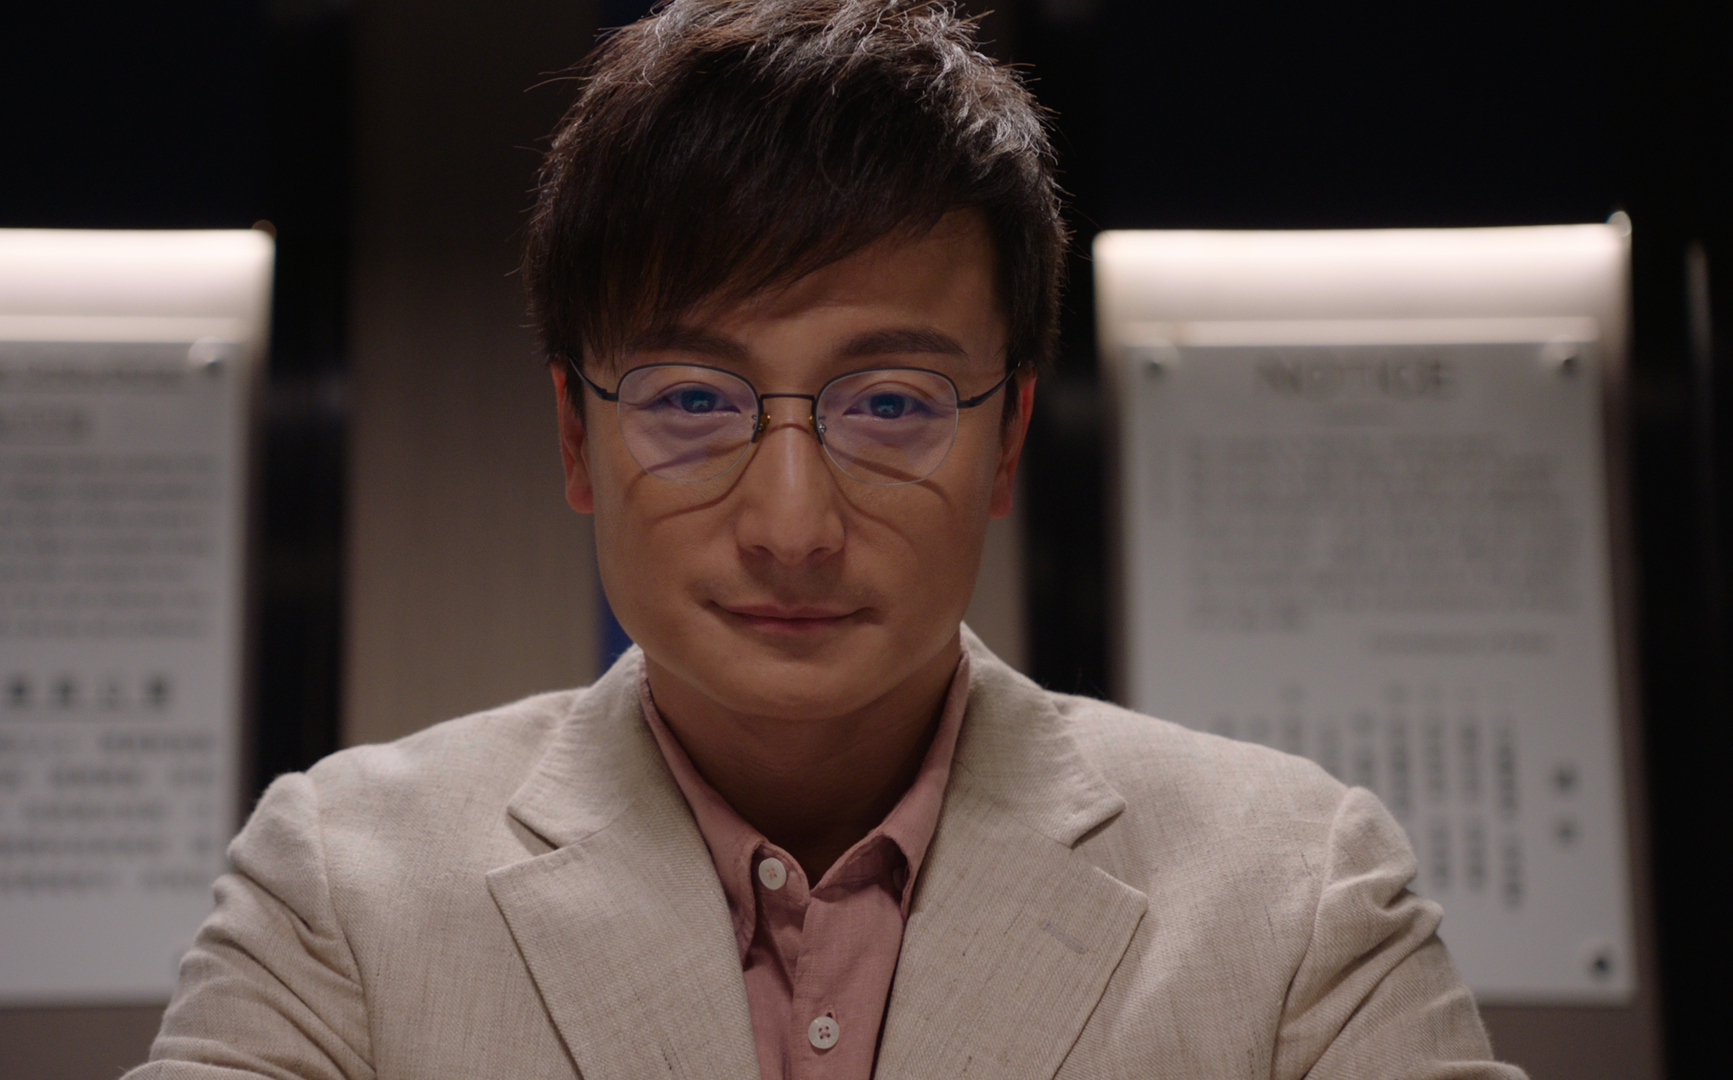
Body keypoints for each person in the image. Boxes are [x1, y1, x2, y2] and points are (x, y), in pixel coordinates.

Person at [132, 2, 1523, 1077]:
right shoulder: (346, 887)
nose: (792, 525)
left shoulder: (1291, 893)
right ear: (574, 436)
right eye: (691, 400)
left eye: (891, 404)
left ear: (1007, 440)